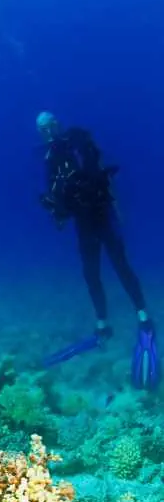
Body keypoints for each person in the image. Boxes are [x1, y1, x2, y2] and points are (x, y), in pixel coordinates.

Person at [36, 112, 157, 389]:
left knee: (121, 266)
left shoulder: (78, 143)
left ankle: (143, 317)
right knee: (91, 275)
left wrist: (117, 210)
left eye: (50, 126)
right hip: (84, 223)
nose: (48, 132)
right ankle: (103, 323)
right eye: (43, 129)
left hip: (101, 217)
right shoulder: (51, 159)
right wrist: (53, 207)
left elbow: (103, 178)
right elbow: (61, 208)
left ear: (58, 124)